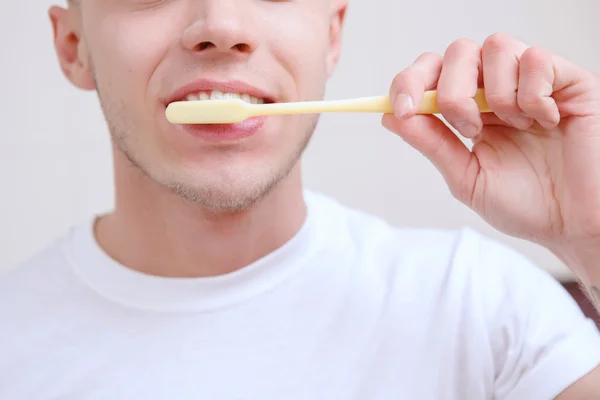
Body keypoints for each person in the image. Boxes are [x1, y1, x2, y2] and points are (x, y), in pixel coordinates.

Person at [1, 0, 599, 398]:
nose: (222, 26)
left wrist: (592, 239)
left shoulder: (478, 303)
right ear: (74, 45)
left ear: (332, 34)